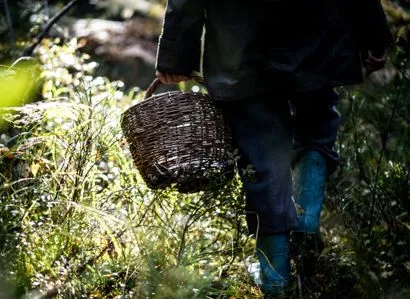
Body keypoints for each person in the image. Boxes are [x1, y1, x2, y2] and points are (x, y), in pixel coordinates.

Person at [155, 0, 393, 296]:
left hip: (241, 47)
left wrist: (175, 56)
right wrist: (375, 35)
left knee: (261, 156)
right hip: (318, 37)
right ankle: (306, 219)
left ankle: (274, 278)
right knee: (316, 128)